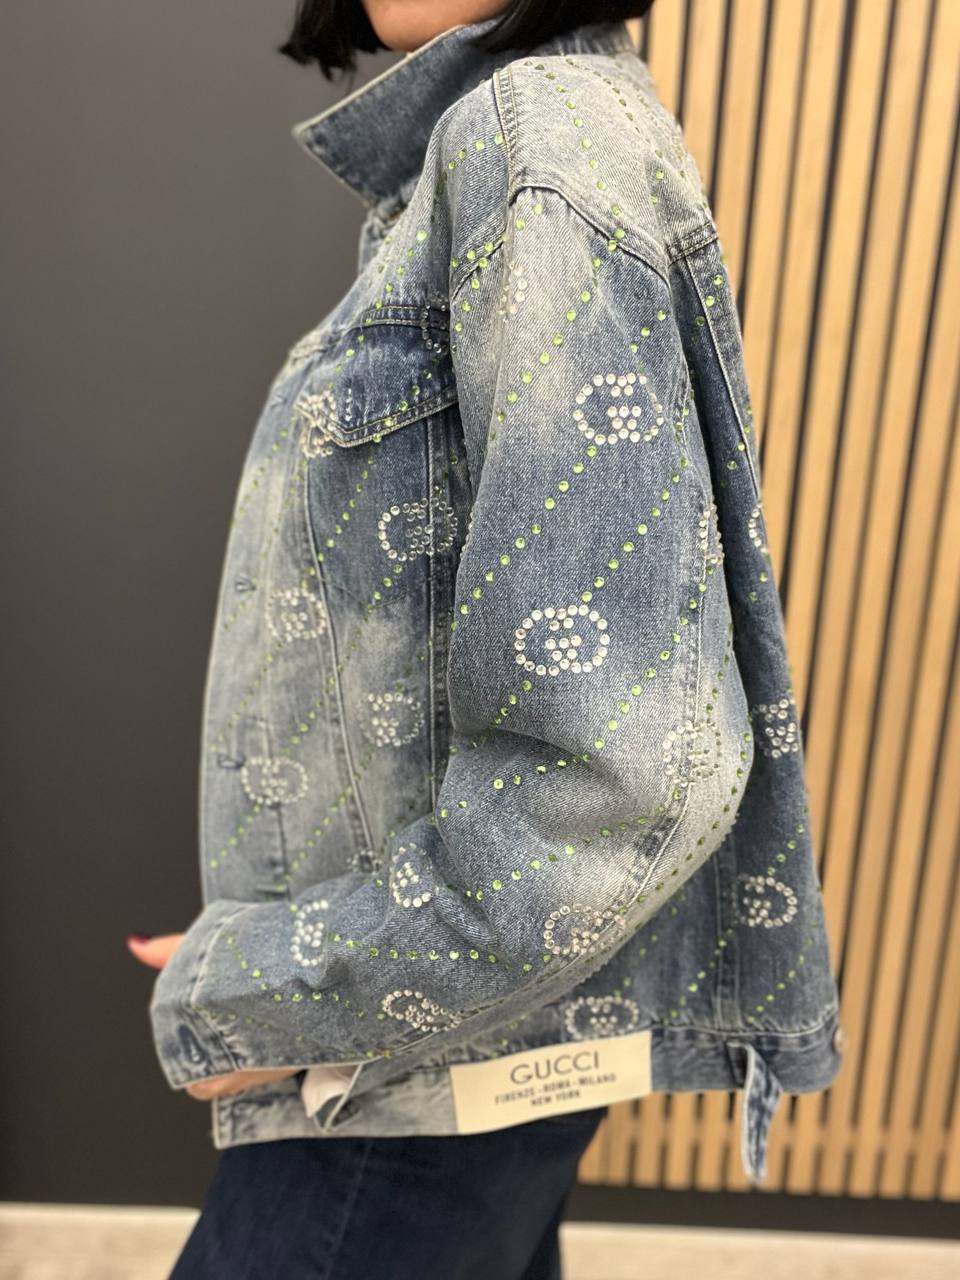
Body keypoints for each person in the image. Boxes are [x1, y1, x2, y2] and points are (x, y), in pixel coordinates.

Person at [128, 0, 845, 1275]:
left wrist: (266, 987)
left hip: (404, 1069)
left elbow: (614, 782)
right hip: (455, 1041)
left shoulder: (536, 135)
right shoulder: (532, 131)